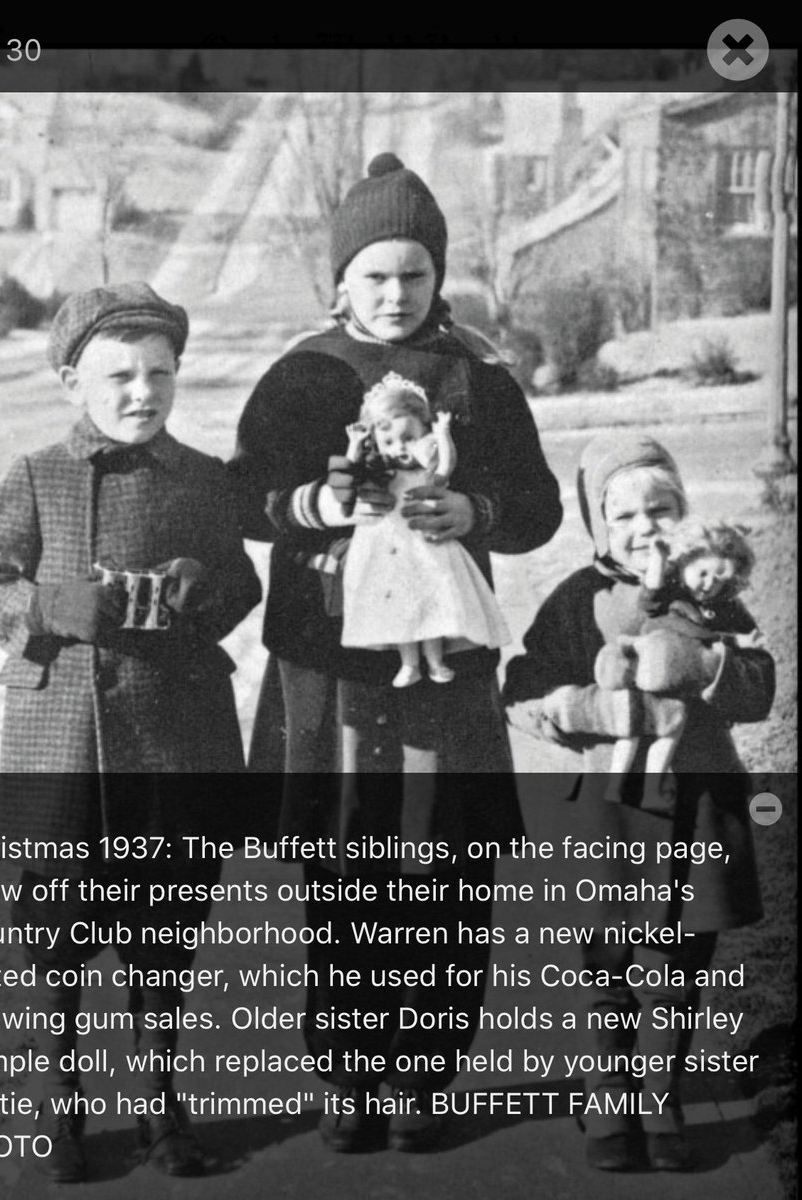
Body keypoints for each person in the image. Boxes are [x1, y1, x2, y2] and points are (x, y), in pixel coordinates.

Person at [229, 153, 562, 1151]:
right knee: (345, 873)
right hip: (330, 669)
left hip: (443, 666)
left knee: (444, 871)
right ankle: (348, 1076)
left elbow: (539, 508)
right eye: (373, 275)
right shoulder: (301, 374)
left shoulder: (479, 376)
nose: (393, 295)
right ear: (339, 279)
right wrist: (318, 505)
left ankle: (422, 1076)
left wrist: (476, 508)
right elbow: (245, 494)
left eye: (412, 275)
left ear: (437, 276)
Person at [0, 282, 262, 1182]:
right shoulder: (37, 474)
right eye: (118, 375)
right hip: (67, 740)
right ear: (69, 381)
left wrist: (206, 590)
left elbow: (241, 585)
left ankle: (163, 1105)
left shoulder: (204, 480)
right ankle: (64, 1103)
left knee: (164, 930)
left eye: (159, 374)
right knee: (59, 928)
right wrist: (51, 604)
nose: (141, 393)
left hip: (175, 733)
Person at [502, 432, 775, 1172]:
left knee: (678, 964)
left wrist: (710, 664)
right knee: (605, 960)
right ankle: (606, 1087)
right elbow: (520, 692)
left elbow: (759, 687)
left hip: (693, 806)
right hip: (603, 809)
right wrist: (583, 707)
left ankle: (660, 1092)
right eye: (622, 514)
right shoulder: (576, 601)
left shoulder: (713, 596)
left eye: (661, 507)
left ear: (683, 512)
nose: (644, 526)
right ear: (597, 525)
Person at [341, 372, 509, 692]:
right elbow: (348, 477)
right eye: (389, 442)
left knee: (432, 606)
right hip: (387, 549)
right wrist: (354, 444)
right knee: (402, 609)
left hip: (427, 549)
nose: (400, 448)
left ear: (422, 434)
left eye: (408, 438)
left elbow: (445, 467)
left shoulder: (424, 473)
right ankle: (409, 663)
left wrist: (443, 433)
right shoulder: (380, 475)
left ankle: (435, 661)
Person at [595, 517, 759, 804]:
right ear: (686, 562)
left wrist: (740, 642)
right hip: (645, 666)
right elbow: (651, 594)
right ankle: (616, 786)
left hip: (671, 684)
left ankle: (648, 791)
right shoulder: (672, 593)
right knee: (631, 731)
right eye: (703, 573)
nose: (709, 585)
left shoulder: (712, 609)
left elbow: (715, 637)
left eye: (720, 581)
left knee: (665, 734)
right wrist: (658, 557)